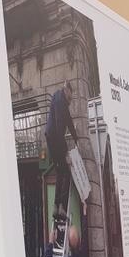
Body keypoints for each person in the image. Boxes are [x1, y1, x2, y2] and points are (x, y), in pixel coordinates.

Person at [45, 81, 80, 219]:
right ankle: (62, 208)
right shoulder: (60, 100)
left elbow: (69, 121)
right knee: (66, 170)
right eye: (71, 97)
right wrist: (66, 153)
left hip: (51, 137)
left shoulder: (60, 99)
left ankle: (56, 207)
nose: (71, 100)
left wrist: (76, 138)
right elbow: (60, 129)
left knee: (60, 171)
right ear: (67, 90)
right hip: (55, 139)